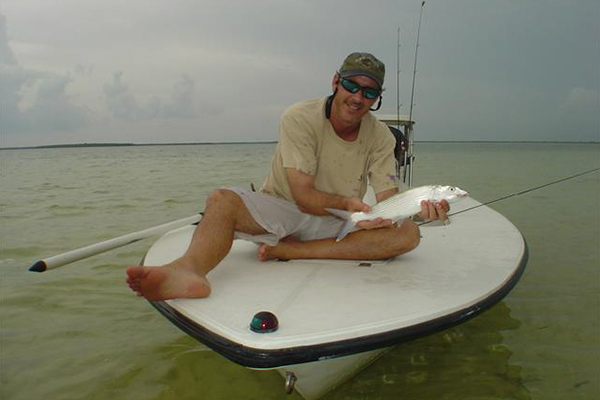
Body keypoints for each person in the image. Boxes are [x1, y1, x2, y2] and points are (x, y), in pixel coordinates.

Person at [126, 52, 449, 301]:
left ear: (377, 96)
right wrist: (352, 207)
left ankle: (290, 250)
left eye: (369, 92)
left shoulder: (381, 138)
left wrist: (418, 209)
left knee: (408, 235)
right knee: (221, 199)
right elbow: (303, 195)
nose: (358, 97)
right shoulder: (300, 117)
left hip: (340, 220)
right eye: (352, 85)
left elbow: (387, 200)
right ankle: (189, 270)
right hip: (285, 207)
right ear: (336, 81)